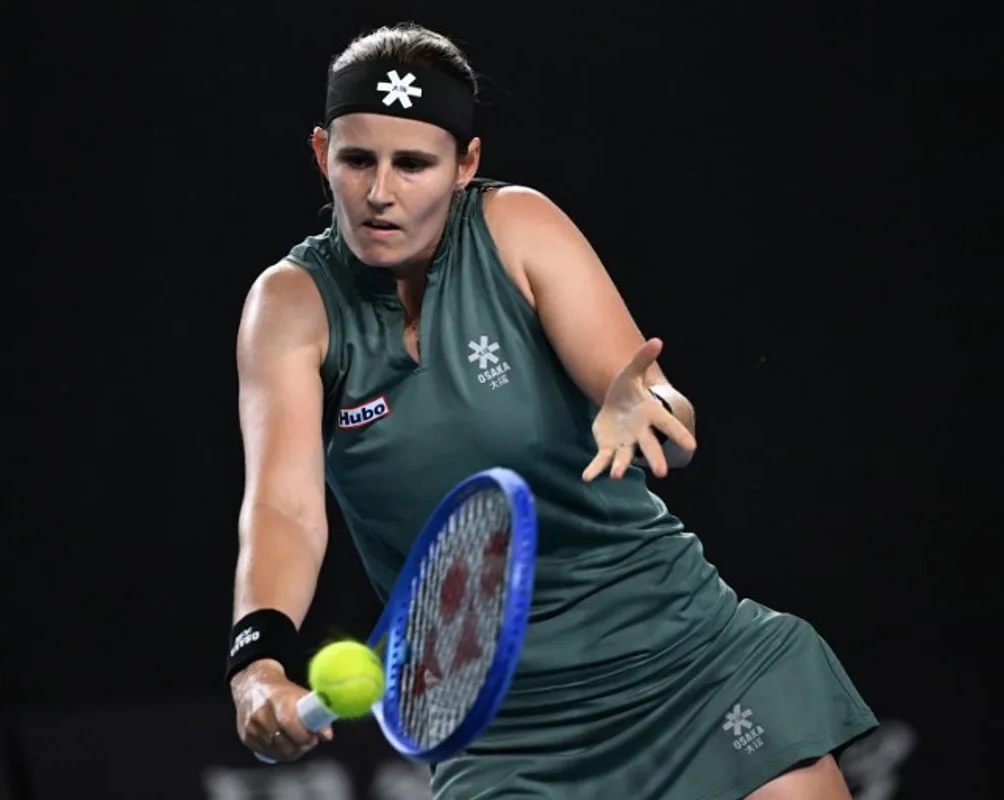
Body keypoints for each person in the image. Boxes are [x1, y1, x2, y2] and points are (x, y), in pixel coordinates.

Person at [226, 22, 878, 800]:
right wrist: (256, 662)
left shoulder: (519, 227)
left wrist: (647, 405)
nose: (380, 192)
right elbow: (285, 508)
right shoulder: (290, 306)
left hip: (684, 659)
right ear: (319, 153)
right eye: (357, 159)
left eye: (413, 164)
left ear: (465, 164)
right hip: (501, 732)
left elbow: (643, 389)